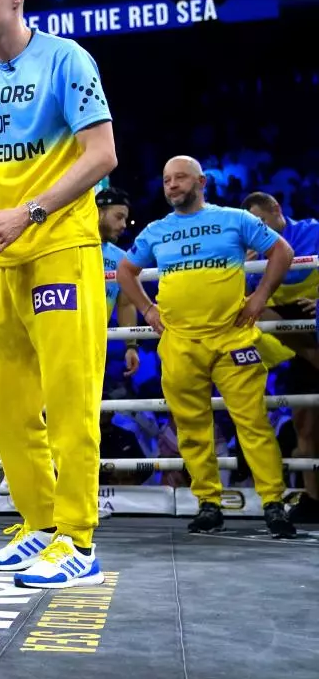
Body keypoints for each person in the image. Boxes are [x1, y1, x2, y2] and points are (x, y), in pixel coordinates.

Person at [0, 0, 117, 589]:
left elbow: (103, 154)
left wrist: (32, 213)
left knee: (70, 401)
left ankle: (77, 536)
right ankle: (40, 524)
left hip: (61, 250)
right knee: (6, 400)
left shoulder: (68, 59)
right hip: (2, 255)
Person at [117, 157, 297, 538]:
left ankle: (273, 504)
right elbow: (125, 272)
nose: (172, 185)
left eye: (180, 178)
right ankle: (208, 504)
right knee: (191, 428)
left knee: (253, 423)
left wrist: (261, 295)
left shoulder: (235, 219)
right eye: (166, 180)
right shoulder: (156, 230)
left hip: (232, 338)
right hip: (180, 342)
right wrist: (147, 309)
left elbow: (282, 251)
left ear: (201, 181)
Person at [242, 191, 319, 524]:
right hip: (295, 342)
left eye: (260, 221)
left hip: (313, 322)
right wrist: (242, 267)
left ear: (277, 211)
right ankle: (314, 500)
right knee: (305, 423)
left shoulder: (312, 232)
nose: (257, 230)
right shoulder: (256, 252)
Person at [96, 188, 141, 376]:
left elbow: (126, 304)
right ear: (98, 212)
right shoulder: (70, 247)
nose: (123, 225)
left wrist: (131, 345)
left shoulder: (121, 258)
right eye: (118, 217)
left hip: (95, 344)